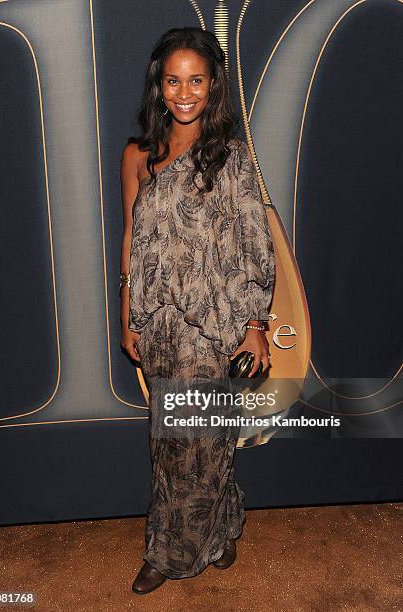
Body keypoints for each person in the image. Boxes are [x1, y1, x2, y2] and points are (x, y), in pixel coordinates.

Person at [119, 27, 275, 595]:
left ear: (213, 87)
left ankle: (170, 551)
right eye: (173, 81)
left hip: (216, 324)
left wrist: (256, 325)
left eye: (197, 80)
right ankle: (219, 524)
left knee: (203, 438)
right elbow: (131, 238)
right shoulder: (137, 155)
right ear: (159, 88)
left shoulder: (232, 157)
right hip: (160, 321)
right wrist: (127, 311)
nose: (185, 92)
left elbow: (254, 240)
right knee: (172, 442)